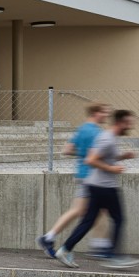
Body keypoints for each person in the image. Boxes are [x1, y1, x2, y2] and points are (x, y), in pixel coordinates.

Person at [55, 109, 139, 270]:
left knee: (88, 221)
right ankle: (113, 256)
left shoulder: (108, 137)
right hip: (104, 186)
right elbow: (91, 159)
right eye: (129, 123)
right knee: (118, 219)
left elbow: (101, 156)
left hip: (96, 185)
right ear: (121, 123)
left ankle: (64, 249)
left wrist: (123, 156)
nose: (130, 126)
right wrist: (112, 169)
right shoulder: (107, 139)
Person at [37, 101, 111, 258]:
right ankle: (100, 247)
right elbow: (96, 154)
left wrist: (83, 154)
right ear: (95, 113)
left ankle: (49, 238)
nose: (107, 115)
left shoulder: (82, 129)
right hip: (92, 176)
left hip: (82, 174)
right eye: (104, 112)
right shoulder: (96, 132)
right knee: (94, 210)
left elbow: (67, 150)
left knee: (86, 210)